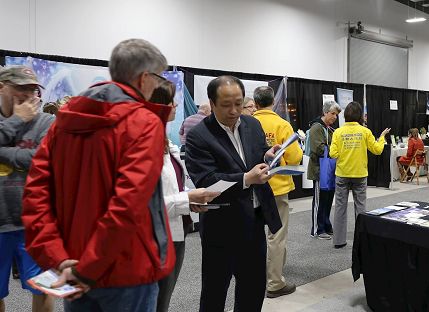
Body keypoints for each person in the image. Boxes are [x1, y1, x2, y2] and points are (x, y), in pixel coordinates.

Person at [22, 39, 176, 312]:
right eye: (158, 77)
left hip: (72, 264)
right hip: (126, 267)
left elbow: (36, 194)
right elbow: (128, 205)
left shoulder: (64, 122)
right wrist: (89, 268)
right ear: (144, 78)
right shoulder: (144, 122)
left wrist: (57, 257)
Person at [185, 75, 282, 312]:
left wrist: (267, 155)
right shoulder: (199, 136)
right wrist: (246, 179)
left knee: (253, 288)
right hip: (222, 225)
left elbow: (254, 155)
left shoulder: (252, 125)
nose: (234, 110)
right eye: (227, 105)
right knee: (215, 291)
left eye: (239, 103)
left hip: (254, 220)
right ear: (212, 103)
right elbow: (208, 185)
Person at [149, 82, 220, 312]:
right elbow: (143, 204)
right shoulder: (144, 146)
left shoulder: (165, 140)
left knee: (163, 298)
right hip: (155, 237)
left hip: (175, 230)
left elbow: (171, 187)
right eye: (170, 101)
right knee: (154, 301)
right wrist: (186, 200)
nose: (176, 104)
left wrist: (190, 199)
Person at [0, 65, 54, 312]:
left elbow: (40, 161)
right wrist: (16, 120)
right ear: (3, 88)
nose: (28, 95)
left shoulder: (47, 121)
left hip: (36, 223)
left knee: (43, 288)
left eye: (33, 89)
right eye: (21, 88)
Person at [252, 86, 302, 298]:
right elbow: (294, 157)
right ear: (273, 101)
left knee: (253, 235)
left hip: (251, 186)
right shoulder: (282, 124)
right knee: (277, 235)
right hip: (277, 187)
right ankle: (274, 282)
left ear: (254, 103)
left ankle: (252, 277)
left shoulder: (247, 123)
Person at [329, 101, 390, 249]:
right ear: (360, 115)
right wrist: (382, 137)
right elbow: (377, 150)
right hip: (360, 175)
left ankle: (338, 241)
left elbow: (332, 154)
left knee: (340, 208)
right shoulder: (365, 132)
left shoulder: (338, 132)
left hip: (342, 174)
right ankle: (362, 240)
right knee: (361, 208)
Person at [307, 101, 342, 240]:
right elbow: (319, 149)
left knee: (328, 200)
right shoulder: (317, 128)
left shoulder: (329, 129)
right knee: (320, 201)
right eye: (333, 113)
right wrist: (335, 151)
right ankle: (317, 229)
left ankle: (326, 225)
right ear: (325, 112)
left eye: (337, 114)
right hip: (319, 170)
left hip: (329, 170)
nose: (335, 117)